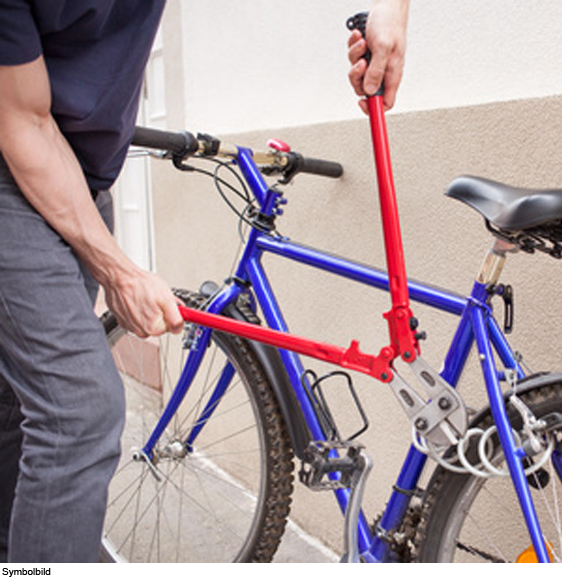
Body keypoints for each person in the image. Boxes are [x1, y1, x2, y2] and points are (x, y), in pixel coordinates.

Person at [0, 0, 409, 563]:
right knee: (78, 413)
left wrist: (392, 15)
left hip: (79, 178)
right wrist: (120, 271)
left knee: (24, 408)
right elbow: (23, 121)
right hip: (13, 165)